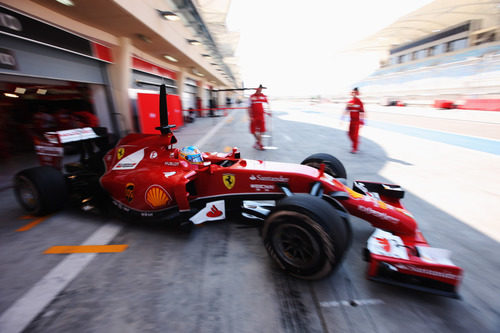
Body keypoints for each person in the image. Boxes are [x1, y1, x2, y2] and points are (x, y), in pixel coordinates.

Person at [343, 87, 365, 153]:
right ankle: (356, 142)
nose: (353, 94)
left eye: (355, 92)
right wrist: (342, 118)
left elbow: (362, 112)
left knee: (355, 135)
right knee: (349, 134)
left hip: (357, 121)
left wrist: (362, 121)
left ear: (357, 93)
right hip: (351, 121)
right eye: (352, 92)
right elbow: (346, 110)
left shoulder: (360, 102)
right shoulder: (349, 102)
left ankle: (354, 148)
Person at [248, 84, 270, 150]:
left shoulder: (264, 97)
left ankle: (260, 144)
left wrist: (269, 112)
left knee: (262, 131)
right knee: (253, 131)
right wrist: (250, 116)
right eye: (259, 89)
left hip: (261, 117)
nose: (260, 90)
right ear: (256, 89)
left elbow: (267, 105)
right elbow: (249, 107)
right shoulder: (251, 97)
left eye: (261, 89)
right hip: (254, 117)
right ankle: (258, 142)